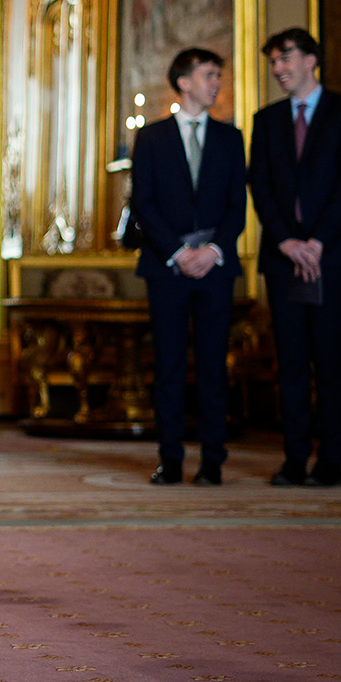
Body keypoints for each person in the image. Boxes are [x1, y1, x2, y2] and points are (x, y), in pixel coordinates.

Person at [248, 28, 341, 488]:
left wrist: (317, 242)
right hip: (283, 259)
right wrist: (287, 242)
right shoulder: (267, 119)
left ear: (312, 59)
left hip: (330, 258)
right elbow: (260, 186)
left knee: (330, 361)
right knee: (291, 363)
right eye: (273, 61)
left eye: (285, 58)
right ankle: (294, 458)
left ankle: (330, 460)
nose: (278, 68)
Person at [131, 48, 246, 487]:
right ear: (184, 82)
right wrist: (178, 254)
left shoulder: (230, 138)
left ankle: (213, 460)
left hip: (216, 268)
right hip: (166, 270)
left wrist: (213, 250)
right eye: (209, 74)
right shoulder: (153, 138)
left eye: (218, 75)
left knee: (215, 366)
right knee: (170, 365)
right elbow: (143, 203)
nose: (216, 82)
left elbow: (238, 204)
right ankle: (171, 459)